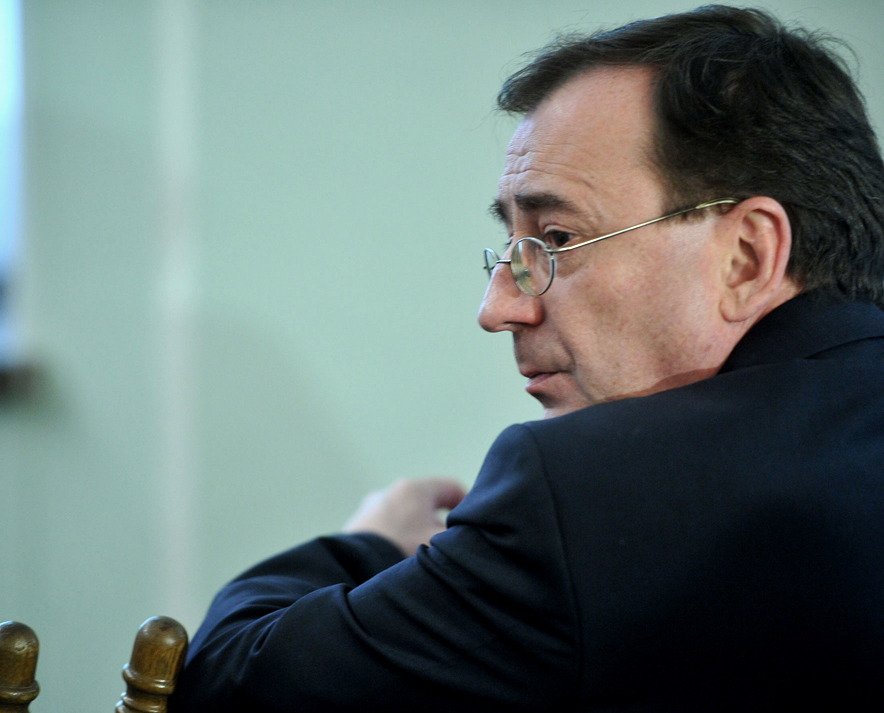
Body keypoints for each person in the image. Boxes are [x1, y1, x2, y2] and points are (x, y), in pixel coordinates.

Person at [171, 6, 884, 711]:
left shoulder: (589, 496)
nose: (498, 309)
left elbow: (228, 682)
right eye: (510, 249)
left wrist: (370, 546)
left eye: (557, 240)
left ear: (747, 255)